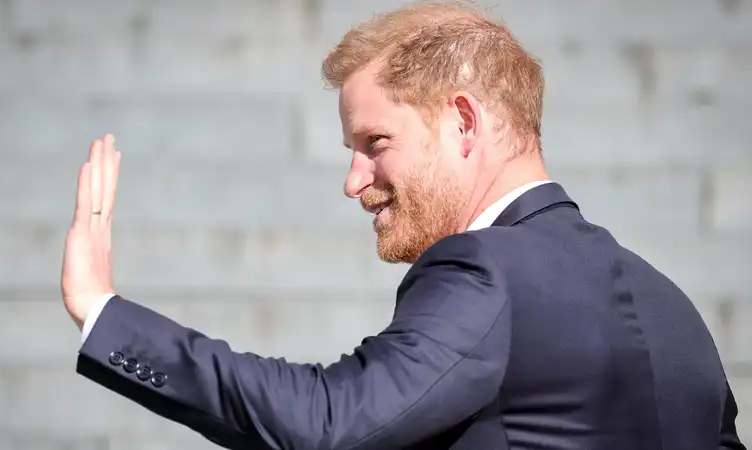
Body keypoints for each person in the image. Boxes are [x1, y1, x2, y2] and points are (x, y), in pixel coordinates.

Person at [61, 2, 746, 449]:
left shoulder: (486, 271)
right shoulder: (674, 307)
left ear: (464, 122)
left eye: (375, 142)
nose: (354, 180)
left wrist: (104, 313)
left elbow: (330, 423)